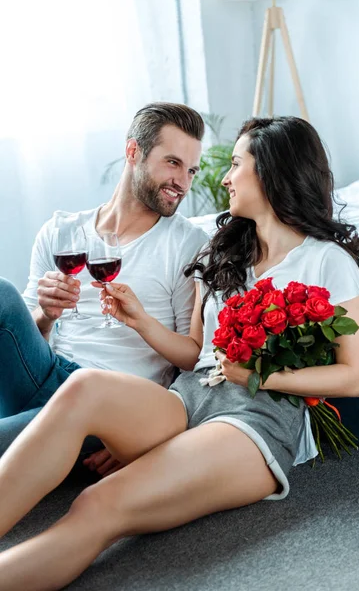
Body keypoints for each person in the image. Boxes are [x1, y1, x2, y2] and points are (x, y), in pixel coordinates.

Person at [0, 116, 359, 590]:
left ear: (269, 172)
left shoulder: (328, 261)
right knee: (83, 386)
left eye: (236, 164)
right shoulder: (225, 253)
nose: (224, 177)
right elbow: (193, 352)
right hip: (187, 398)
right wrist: (139, 318)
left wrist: (258, 377)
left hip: (253, 419)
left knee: (99, 503)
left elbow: (353, 379)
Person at [0, 102, 208, 470]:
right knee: (4, 295)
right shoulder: (61, 231)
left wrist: (147, 430)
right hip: (50, 375)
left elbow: (193, 360)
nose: (183, 182)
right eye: (172, 163)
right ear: (133, 152)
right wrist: (46, 316)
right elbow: (20, 345)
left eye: (191, 170)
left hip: (110, 401)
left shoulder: (186, 244)